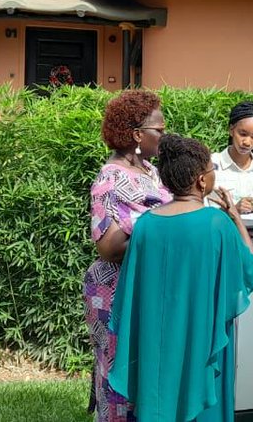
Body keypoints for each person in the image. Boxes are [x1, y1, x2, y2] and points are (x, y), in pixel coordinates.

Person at [108, 134, 253, 422]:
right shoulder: (217, 224)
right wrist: (237, 219)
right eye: (212, 169)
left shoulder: (146, 226)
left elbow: (132, 296)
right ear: (202, 181)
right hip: (201, 343)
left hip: (156, 344)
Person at [83, 90, 172, 422]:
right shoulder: (111, 178)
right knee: (117, 370)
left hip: (144, 284)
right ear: (137, 135)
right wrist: (153, 226)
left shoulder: (150, 170)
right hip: (115, 288)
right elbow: (107, 247)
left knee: (144, 366)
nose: (164, 135)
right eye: (159, 130)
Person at [211, 101, 253, 214]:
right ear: (231, 130)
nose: (247, 142)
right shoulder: (213, 163)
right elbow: (205, 209)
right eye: (243, 134)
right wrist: (233, 210)